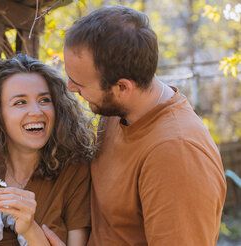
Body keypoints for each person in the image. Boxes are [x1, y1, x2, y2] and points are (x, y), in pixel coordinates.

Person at [43, 5, 227, 246]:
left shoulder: (176, 154)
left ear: (122, 87)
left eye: (80, 82)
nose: (70, 87)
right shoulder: (117, 112)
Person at [0, 54, 95, 245]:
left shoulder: (74, 170)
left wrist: (30, 228)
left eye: (44, 100)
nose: (36, 111)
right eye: (20, 102)